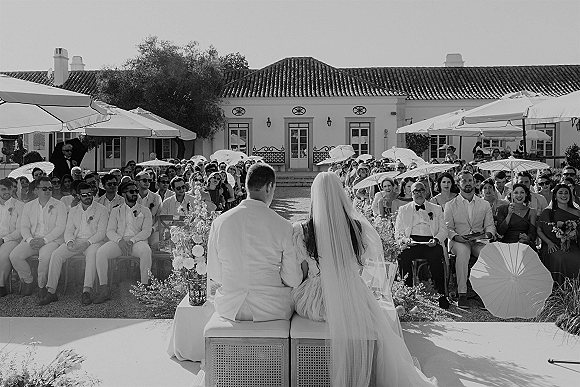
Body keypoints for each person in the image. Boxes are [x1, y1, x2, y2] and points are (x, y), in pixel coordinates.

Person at [291, 172, 437, 386]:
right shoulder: (356, 228)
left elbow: (302, 271)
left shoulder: (302, 230)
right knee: (379, 323)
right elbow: (362, 265)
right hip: (351, 297)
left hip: (316, 302)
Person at [207, 163, 301, 321]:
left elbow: (215, 273)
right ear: (269, 187)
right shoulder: (283, 226)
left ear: (245, 185)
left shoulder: (220, 222)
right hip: (272, 309)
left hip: (230, 308)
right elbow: (293, 279)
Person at [38, 183, 108, 306]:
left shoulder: (102, 209)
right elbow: (69, 230)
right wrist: (70, 242)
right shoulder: (74, 210)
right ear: (78, 196)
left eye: (90, 194)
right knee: (56, 254)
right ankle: (51, 291)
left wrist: (87, 243)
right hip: (76, 240)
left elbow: (102, 233)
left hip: (93, 242)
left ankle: (86, 291)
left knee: (92, 255)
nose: (88, 197)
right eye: (84, 195)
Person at [93, 181, 153, 303]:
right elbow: (110, 230)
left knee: (146, 251)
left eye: (136, 191)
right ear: (124, 194)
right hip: (119, 241)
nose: (135, 194)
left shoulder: (145, 210)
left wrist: (132, 241)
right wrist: (119, 240)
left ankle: (145, 289)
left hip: (137, 241)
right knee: (101, 252)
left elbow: (146, 231)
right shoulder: (116, 210)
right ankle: (104, 289)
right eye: (132, 191)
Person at [444, 171, 496, 309]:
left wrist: (488, 235)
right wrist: (456, 237)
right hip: (458, 241)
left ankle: (484, 294)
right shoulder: (450, 205)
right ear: (458, 183)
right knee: (463, 252)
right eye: (464, 180)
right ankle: (462, 293)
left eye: (470, 180)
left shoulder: (484, 204)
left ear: (474, 182)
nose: (467, 183)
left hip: (478, 241)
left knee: (488, 252)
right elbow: (447, 228)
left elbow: (490, 225)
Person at [9, 177, 67, 297]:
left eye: (50, 188)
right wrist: (30, 240)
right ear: (36, 190)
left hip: (51, 240)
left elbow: (60, 228)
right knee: (14, 256)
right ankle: (29, 281)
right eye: (44, 188)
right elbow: (24, 226)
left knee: (44, 258)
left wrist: (44, 240)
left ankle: (42, 286)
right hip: (33, 238)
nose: (48, 191)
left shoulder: (60, 205)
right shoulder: (29, 206)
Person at [395, 181, 449, 309]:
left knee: (436, 254)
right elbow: (398, 232)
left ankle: (441, 294)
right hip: (411, 241)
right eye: (416, 191)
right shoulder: (403, 210)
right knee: (402, 255)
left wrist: (436, 240)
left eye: (421, 190)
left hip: (430, 241)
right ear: (411, 193)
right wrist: (404, 240)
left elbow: (443, 230)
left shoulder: (436, 208)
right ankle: (408, 294)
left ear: (426, 192)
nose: (419, 193)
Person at [537, 184, 580, 285]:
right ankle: (560, 289)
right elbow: (539, 230)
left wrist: (573, 234)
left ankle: (575, 291)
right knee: (560, 259)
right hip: (553, 245)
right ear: (555, 196)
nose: (564, 195)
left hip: (572, 246)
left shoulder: (577, 212)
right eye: (560, 193)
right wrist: (549, 243)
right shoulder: (548, 212)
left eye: (566, 193)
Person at [0, 179, 25, 297]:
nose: (7, 192)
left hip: (12, 239)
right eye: (3, 189)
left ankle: (1, 285)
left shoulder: (19, 205)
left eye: (9, 189)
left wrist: (4, 239)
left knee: (4, 254)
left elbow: (20, 230)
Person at [496, 183, 537, 248]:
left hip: (524, 244)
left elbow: (533, 234)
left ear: (526, 194)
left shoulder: (532, 212)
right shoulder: (502, 208)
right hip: (507, 244)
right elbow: (500, 231)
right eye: (516, 192)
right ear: (512, 195)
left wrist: (527, 238)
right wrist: (509, 215)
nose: (519, 195)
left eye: (522, 192)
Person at [134, 171, 162, 246]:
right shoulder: (131, 197)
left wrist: (153, 229)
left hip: (151, 231)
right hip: (134, 231)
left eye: (149, 180)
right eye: (144, 180)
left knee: (156, 243)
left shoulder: (156, 198)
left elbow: (160, 218)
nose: (147, 182)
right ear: (137, 182)